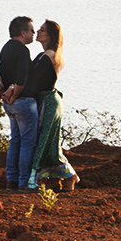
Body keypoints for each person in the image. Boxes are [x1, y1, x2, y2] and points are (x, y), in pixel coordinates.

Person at [26, 20, 79, 192]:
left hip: (48, 101)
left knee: (45, 143)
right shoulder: (46, 55)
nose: (37, 33)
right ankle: (54, 179)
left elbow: (32, 79)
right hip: (48, 100)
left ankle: (70, 175)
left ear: (49, 35)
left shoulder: (49, 55)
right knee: (48, 143)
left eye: (41, 30)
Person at [0, 16, 38, 191]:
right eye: (31, 31)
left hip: (9, 104)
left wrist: (2, 86)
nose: (33, 34)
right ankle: (25, 183)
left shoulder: (5, 48)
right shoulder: (22, 50)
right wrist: (15, 93)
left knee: (15, 141)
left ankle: (11, 181)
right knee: (28, 143)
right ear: (23, 33)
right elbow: (22, 77)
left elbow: (0, 69)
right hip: (22, 102)